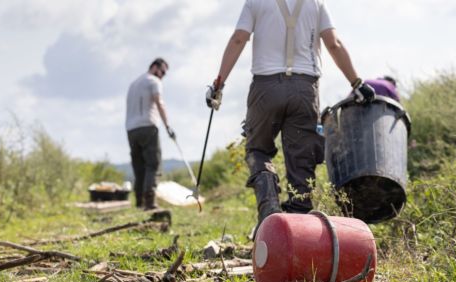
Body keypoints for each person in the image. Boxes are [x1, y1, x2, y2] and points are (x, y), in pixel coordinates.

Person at [206, 0, 375, 238]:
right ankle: (299, 235)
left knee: (258, 149)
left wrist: (218, 84)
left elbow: (238, 39)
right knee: (301, 160)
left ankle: (269, 209)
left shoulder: (255, 2)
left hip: (265, 88)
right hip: (304, 90)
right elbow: (334, 44)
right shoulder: (316, 4)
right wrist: (357, 83)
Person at [125, 58, 176, 210]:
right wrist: (167, 126)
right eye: (162, 72)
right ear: (154, 67)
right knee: (153, 164)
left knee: (138, 166)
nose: (162, 76)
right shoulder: (154, 81)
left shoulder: (133, 84)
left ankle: (139, 202)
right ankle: (150, 202)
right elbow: (159, 102)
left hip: (131, 129)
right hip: (148, 126)